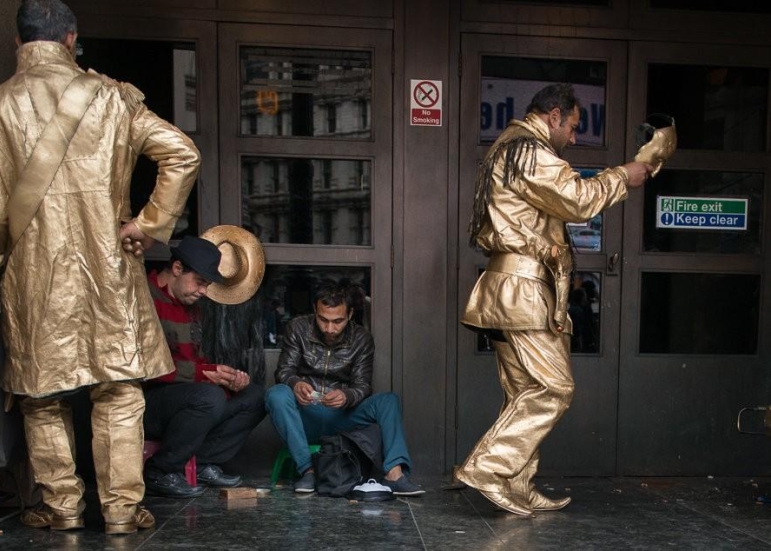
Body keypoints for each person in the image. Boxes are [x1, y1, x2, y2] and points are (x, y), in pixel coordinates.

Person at [0, 0, 200, 534]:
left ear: (17, 44)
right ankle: (121, 511)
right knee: (119, 392)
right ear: (71, 40)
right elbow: (181, 153)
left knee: (41, 399)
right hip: (110, 271)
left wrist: (15, 253)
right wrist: (147, 224)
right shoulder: (114, 98)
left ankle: (63, 509)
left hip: (34, 279)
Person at [456, 83, 652, 516]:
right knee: (553, 389)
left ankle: (518, 484)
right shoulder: (529, 149)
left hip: (509, 287)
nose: (575, 137)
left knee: (523, 391)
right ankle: (489, 467)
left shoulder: (505, 148)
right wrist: (625, 175)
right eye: (574, 127)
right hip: (523, 290)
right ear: (553, 115)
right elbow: (579, 201)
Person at [265, 279, 425, 496]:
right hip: (305, 416)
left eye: (337, 321)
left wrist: (347, 396)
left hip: (342, 419)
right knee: (277, 394)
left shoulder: (361, 339)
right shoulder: (298, 328)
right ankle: (308, 471)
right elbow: (284, 372)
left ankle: (395, 474)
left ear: (349, 315)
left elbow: (362, 385)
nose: (330, 328)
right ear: (315, 310)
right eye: (323, 320)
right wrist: (295, 384)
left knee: (388, 400)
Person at [144, 233, 266, 498]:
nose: (202, 291)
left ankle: (203, 462)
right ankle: (161, 470)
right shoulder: (144, 299)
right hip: (145, 402)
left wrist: (227, 379)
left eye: (206, 285)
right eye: (199, 282)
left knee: (254, 396)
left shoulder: (191, 306)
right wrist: (205, 376)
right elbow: (146, 367)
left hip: (184, 399)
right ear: (177, 268)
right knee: (207, 396)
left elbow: (190, 363)